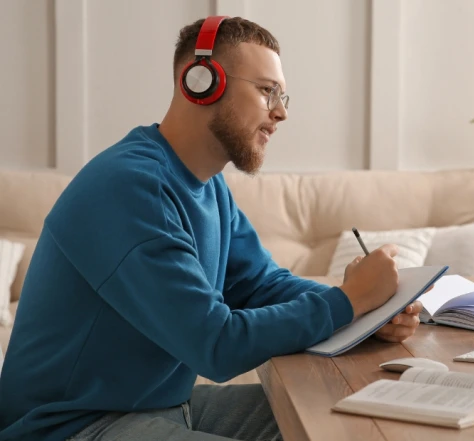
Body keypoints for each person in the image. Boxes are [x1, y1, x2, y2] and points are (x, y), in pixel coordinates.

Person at [0, 16, 424, 441]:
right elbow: (216, 345)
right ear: (201, 82)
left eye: (282, 95)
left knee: (346, 417)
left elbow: (260, 285)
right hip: (71, 426)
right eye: (266, 91)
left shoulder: (208, 185)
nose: (281, 112)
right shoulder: (130, 187)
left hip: (159, 408)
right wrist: (348, 302)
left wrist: (371, 313)